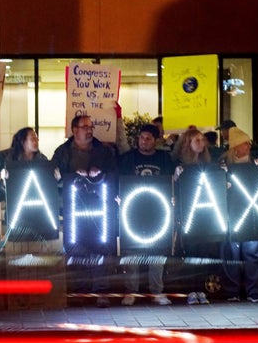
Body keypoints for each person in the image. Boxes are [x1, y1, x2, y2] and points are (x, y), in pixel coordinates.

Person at [52, 115, 118, 307]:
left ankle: (101, 292)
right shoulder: (63, 152)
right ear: (74, 130)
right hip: (73, 208)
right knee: (77, 249)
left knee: (101, 248)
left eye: (91, 126)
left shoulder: (103, 151)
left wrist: (100, 175)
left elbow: (113, 174)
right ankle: (79, 291)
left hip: (100, 206)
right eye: (85, 127)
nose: (89, 130)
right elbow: (54, 176)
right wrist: (73, 176)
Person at [117, 123, 176, 306]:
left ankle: (157, 292)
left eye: (148, 138)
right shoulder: (128, 159)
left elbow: (172, 180)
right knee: (131, 251)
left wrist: (173, 196)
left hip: (157, 211)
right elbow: (119, 181)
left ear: (156, 141)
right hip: (133, 210)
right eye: (141, 138)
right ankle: (131, 291)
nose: (143, 141)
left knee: (157, 252)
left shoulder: (164, 159)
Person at [219, 127, 258, 303]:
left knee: (253, 254)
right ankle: (232, 292)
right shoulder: (223, 167)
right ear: (235, 147)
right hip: (231, 216)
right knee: (231, 254)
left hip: (251, 216)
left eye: (248, 143)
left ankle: (253, 292)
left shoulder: (256, 164)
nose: (248, 146)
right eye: (244, 143)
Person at [171, 128, 214, 305]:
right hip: (187, 215)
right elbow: (173, 190)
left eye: (202, 140)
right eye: (197, 140)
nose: (201, 143)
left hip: (204, 213)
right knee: (190, 252)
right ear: (188, 143)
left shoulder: (207, 165)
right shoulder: (180, 166)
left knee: (203, 252)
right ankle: (190, 289)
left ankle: (201, 289)